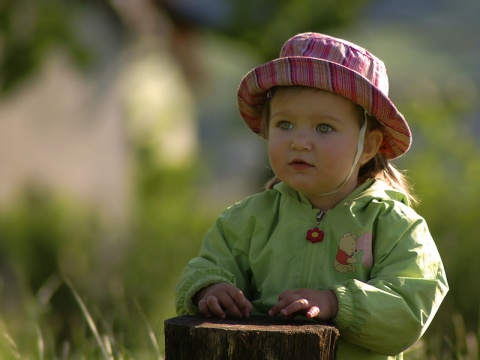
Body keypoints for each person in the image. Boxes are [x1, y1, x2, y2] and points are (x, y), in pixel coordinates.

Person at [175, 32, 448, 359]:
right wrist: (210, 288)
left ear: (369, 146)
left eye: (323, 128)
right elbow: (204, 266)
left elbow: (409, 308)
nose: (299, 142)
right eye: (285, 125)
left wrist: (336, 303)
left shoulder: (396, 226)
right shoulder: (246, 219)